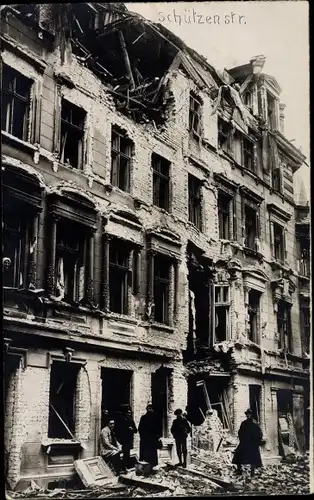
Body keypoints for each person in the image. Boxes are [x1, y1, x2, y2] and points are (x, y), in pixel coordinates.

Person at [232, 409, 263, 477]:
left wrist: (257, 442)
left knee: (253, 458)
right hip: (245, 443)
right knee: (238, 454)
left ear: (252, 415)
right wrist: (242, 440)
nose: (248, 415)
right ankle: (239, 470)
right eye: (247, 414)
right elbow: (240, 432)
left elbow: (260, 434)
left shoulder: (255, 423)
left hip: (253, 444)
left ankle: (252, 473)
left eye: (249, 414)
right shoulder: (244, 423)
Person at [115, 407, 138, 472]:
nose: (129, 414)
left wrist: (132, 429)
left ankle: (126, 467)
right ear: (125, 413)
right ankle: (121, 468)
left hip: (129, 440)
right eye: (128, 413)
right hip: (123, 440)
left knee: (127, 453)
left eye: (130, 413)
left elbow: (136, 430)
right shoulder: (121, 420)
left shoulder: (131, 420)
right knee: (122, 453)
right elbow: (117, 430)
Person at [138, 404, 160, 468]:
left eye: (151, 408)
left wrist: (157, 436)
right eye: (148, 409)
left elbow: (158, 428)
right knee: (145, 454)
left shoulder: (155, 418)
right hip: (146, 439)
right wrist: (142, 436)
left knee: (152, 454)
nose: (150, 410)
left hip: (152, 439)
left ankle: (152, 466)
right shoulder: (143, 418)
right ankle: (146, 467)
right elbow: (140, 428)